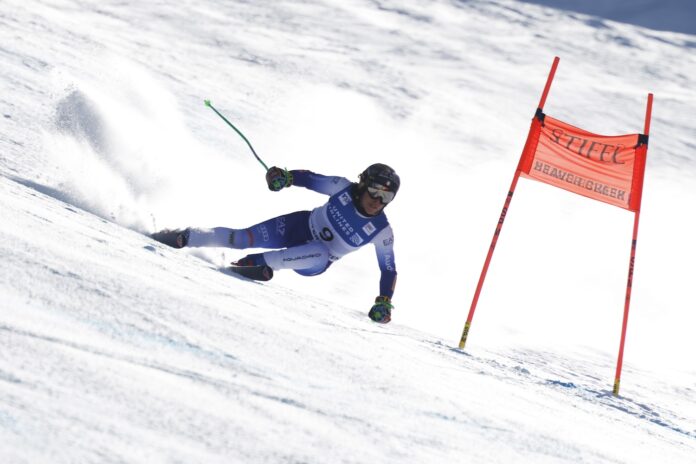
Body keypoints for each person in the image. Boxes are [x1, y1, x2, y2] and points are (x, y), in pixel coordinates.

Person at [151, 163, 400, 323]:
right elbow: (310, 179)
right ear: (363, 185)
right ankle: (186, 236)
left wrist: (384, 302)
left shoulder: (381, 231)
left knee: (320, 251)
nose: (378, 200)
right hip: (298, 226)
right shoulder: (341, 188)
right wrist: (285, 177)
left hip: (314, 262)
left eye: (386, 196)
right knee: (242, 238)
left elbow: (388, 270)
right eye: (375, 191)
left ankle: (259, 263)